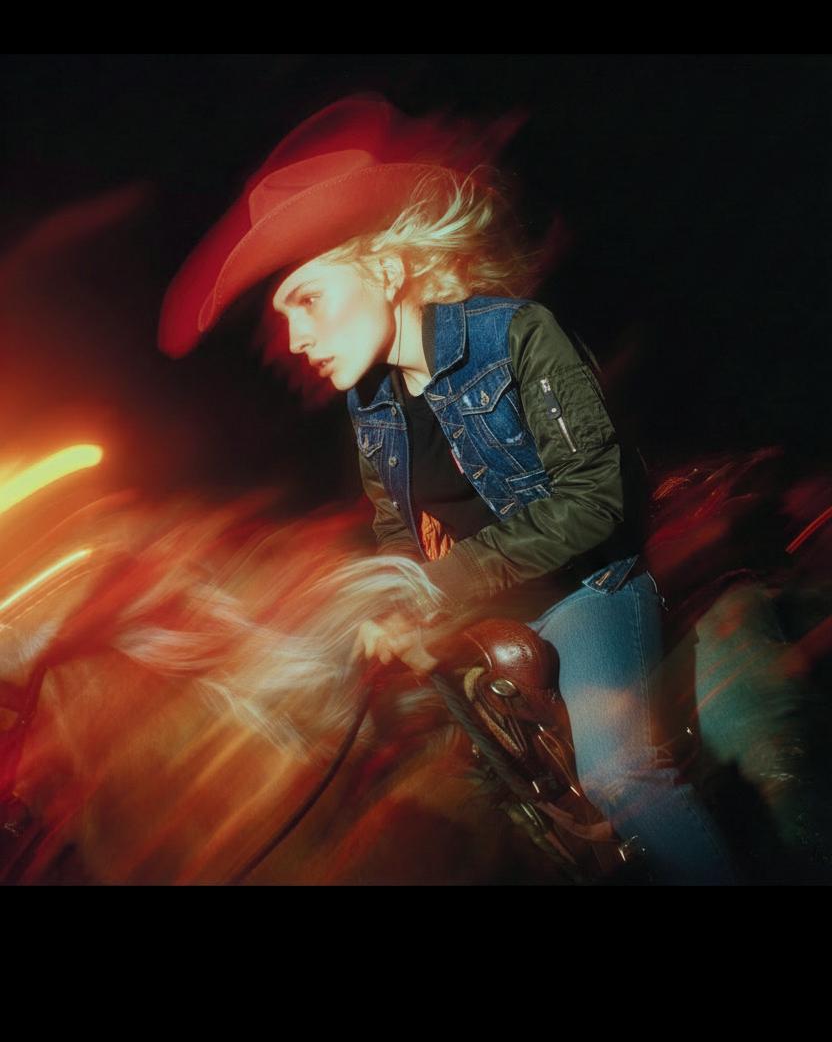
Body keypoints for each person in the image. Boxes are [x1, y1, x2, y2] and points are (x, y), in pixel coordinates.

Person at [159, 94, 738, 885]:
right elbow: (397, 529)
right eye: (285, 314)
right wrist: (396, 601)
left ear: (388, 269)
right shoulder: (370, 403)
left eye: (309, 298)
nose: (295, 338)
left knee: (619, 775)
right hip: (476, 617)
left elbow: (596, 498)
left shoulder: (520, 334)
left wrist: (443, 585)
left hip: (586, 595)